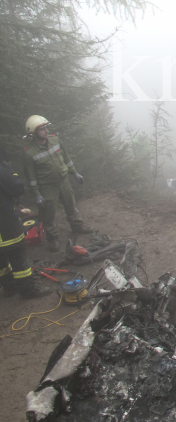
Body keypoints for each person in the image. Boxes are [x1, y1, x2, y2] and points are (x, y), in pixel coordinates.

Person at [22, 116, 92, 252]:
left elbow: (66, 158)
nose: (46, 131)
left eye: (46, 127)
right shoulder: (29, 153)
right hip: (47, 186)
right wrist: (37, 194)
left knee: (71, 205)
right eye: (42, 129)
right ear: (33, 133)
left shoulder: (55, 140)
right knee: (48, 214)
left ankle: (78, 226)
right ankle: (53, 239)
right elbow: (31, 177)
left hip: (63, 181)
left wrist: (74, 173)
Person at [0, 148, 51, 298]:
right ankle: (27, 290)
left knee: (1, 258)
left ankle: (9, 288)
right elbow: (17, 188)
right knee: (18, 255)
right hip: (5, 223)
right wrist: (9, 171)